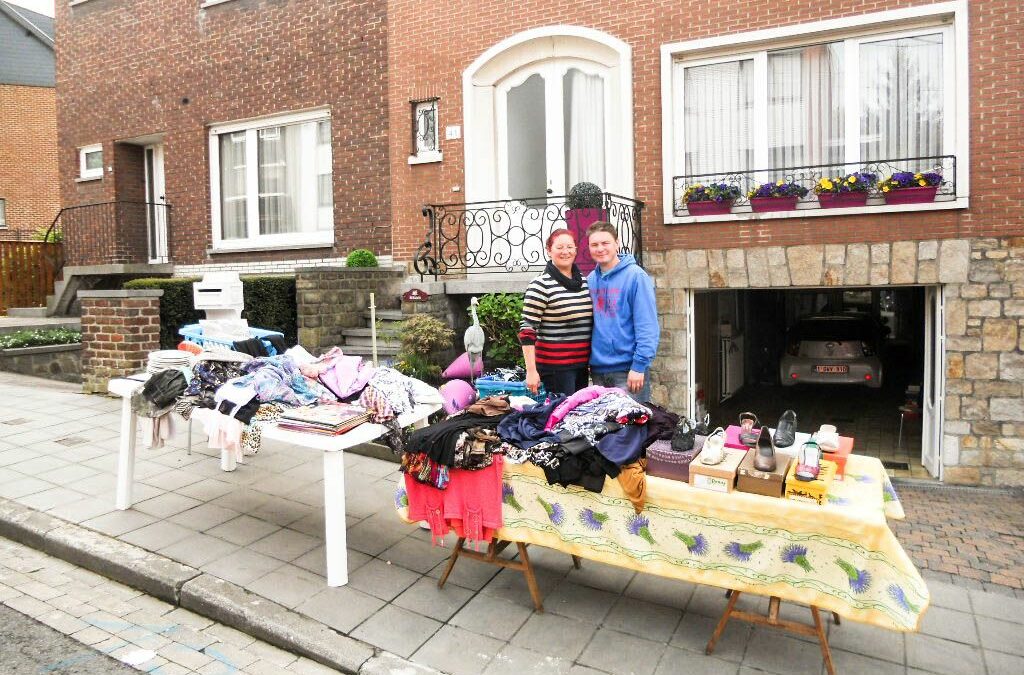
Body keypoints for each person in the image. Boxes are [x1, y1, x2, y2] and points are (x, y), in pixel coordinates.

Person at [586, 221, 659, 402]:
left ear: (617, 244)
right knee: (604, 429)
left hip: (628, 371)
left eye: (605, 243)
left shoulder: (636, 276)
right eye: (594, 245)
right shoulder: (590, 280)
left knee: (632, 428)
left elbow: (647, 326)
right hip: (598, 372)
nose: (600, 248)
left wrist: (639, 366)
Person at [519, 229, 593, 396]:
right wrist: (531, 371)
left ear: (576, 250)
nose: (565, 252)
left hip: (581, 367)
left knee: (579, 417)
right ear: (549, 250)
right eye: (559, 247)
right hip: (556, 370)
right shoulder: (540, 285)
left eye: (569, 247)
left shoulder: (585, 282)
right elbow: (527, 330)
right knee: (561, 418)